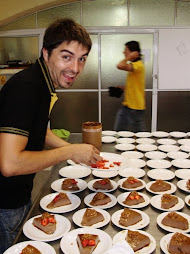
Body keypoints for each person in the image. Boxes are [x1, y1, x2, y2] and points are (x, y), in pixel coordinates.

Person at [0, 18, 102, 252]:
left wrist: (73, 151)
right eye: (66, 56)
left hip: (21, 193)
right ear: (46, 53)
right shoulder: (26, 88)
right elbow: (10, 164)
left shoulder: (43, 83)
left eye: (81, 59)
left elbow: (38, 131)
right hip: (5, 202)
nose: (75, 68)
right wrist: (68, 151)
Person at [113, 40, 146, 132]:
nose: (123, 52)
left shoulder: (138, 65)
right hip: (129, 106)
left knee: (138, 134)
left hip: (135, 107)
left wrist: (128, 58)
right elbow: (136, 85)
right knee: (120, 132)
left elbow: (119, 65)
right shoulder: (135, 66)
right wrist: (123, 88)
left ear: (133, 52)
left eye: (126, 50)